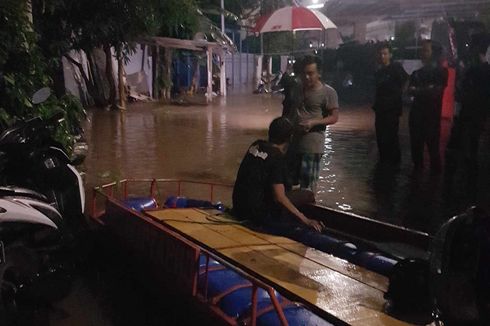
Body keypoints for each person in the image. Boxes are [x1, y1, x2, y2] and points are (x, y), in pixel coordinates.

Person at [232, 117, 324, 232]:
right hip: (257, 215)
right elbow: (279, 197)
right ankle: (296, 222)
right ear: (290, 138)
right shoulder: (277, 157)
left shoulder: (256, 145)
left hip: (238, 208)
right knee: (308, 195)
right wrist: (305, 220)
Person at [293, 55, 339, 191]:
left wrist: (313, 122)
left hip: (312, 147)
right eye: (304, 73)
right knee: (289, 184)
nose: (306, 77)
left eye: (310, 73)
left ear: (319, 73)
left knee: (307, 189)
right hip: (294, 144)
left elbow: (334, 117)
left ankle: (306, 212)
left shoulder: (328, 92)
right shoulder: (297, 89)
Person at [408, 40, 448, 174]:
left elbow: (435, 93)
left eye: (426, 50)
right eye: (422, 50)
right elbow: (410, 90)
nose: (422, 54)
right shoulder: (417, 73)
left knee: (434, 153)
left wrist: (418, 90)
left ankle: (434, 187)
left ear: (433, 53)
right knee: (416, 154)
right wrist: (426, 89)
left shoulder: (441, 72)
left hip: (431, 119)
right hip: (416, 118)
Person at [373, 43, 408, 165]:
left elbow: (406, 80)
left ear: (390, 55)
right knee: (381, 137)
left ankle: (394, 164)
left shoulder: (395, 68)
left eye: (385, 54)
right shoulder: (378, 71)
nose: (382, 56)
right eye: (381, 54)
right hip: (380, 109)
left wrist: (399, 95)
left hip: (392, 110)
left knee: (391, 137)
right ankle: (384, 162)